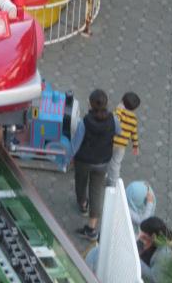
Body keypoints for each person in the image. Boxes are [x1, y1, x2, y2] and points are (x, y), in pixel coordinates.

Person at [69, 89, 121, 241]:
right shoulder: (113, 120)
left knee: (81, 183)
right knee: (97, 192)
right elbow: (119, 132)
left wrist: (67, 158)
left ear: (90, 103)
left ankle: (83, 204)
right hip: (103, 162)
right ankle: (91, 229)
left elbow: (75, 144)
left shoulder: (85, 122)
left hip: (83, 161)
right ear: (106, 103)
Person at [107, 91, 140, 186]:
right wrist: (135, 146)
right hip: (122, 146)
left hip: (111, 142)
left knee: (106, 158)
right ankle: (113, 182)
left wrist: (118, 108)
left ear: (122, 101)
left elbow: (114, 119)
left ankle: (104, 174)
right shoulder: (134, 119)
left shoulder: (119, 112)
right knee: (116, 163)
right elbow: (134, 133)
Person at [138, 217, 172, 282]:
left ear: (153, 236)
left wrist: (136, 261)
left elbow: (154, 278)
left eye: (144, 237)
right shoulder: (147, 243)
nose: (140, 236)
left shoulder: (164, 253)